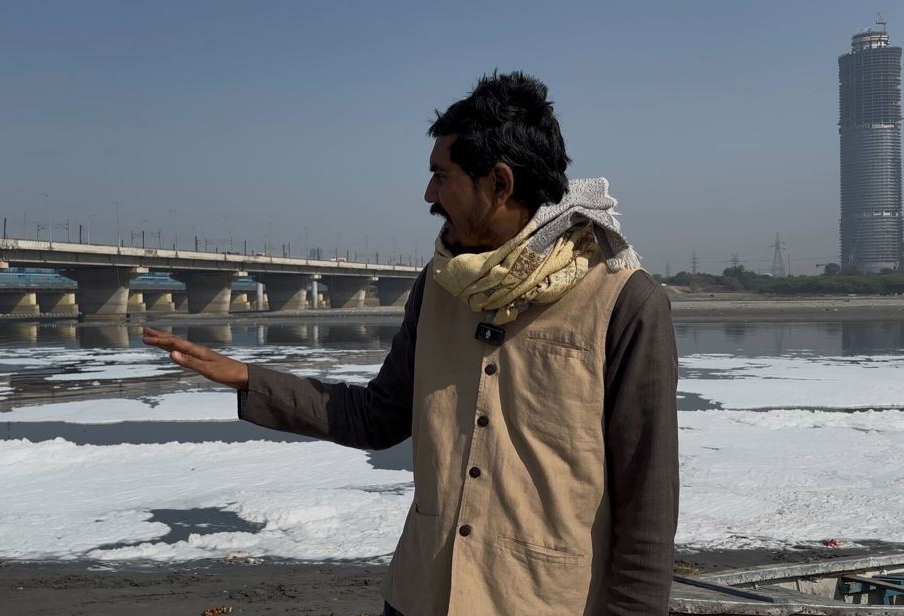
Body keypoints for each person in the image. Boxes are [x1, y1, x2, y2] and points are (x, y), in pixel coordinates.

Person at [144, 71, 678, 616]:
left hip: (542, 601)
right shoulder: (440, 286)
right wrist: (249, 378)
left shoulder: (623, 302)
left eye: (440, 177)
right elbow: (379, 416)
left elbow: (648, 503)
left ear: (499, 183)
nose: (428, 194)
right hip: (422, 596)